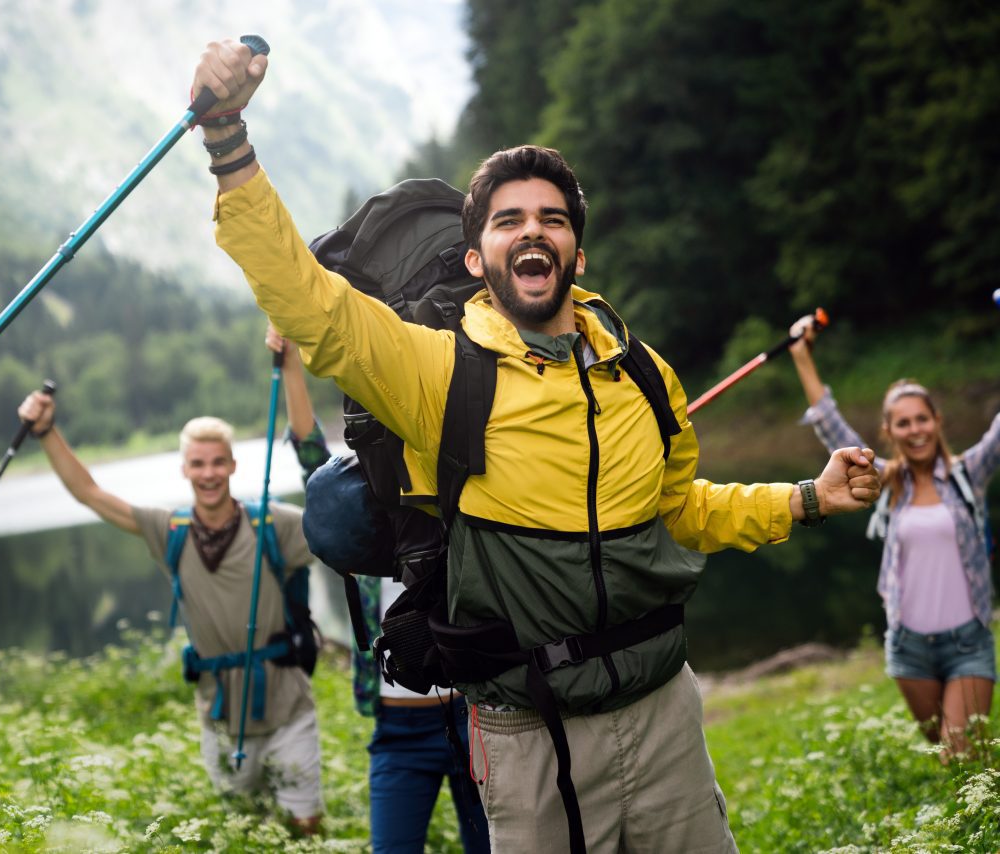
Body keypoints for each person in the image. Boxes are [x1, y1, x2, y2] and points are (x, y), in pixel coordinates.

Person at [190, 39, 880, 852]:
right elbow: (311, 303)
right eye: (508, 219)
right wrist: (228, 136)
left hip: (666, 714)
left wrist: (807, 498)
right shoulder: (436, 373)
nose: (533, 232)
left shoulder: (643, 374)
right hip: (528, 736)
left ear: (576, 254)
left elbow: (679, 510)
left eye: (552, 219)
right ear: (478, 256)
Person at [16, 391, 323, 833]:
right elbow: (89, 494)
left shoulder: (274, 524)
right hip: (219, 718)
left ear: (233, 465)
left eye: (218, 462)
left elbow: (337, 528)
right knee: (247, 831)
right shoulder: (169, 532)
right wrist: (45, 431)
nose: (209, 473)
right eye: (198, 464)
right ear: (185, 470)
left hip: (289, 710)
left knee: (305, 826)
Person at [268, 325, 491, 854]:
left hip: (476, 718)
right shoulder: (357, 506)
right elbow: (309, 457)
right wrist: (292, 362)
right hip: (396, 733)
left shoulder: (449, 488)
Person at [788, 315, 998, 755]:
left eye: (922, 418)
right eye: (902, 423)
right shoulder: (887, 480)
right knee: (945, 754)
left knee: (960, 752)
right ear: (889, 432)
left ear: (937, 421)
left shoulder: (967, 474)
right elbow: (832, 430)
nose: (914, 429)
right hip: (909, 646)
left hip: (969, 640)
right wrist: (801, 355)